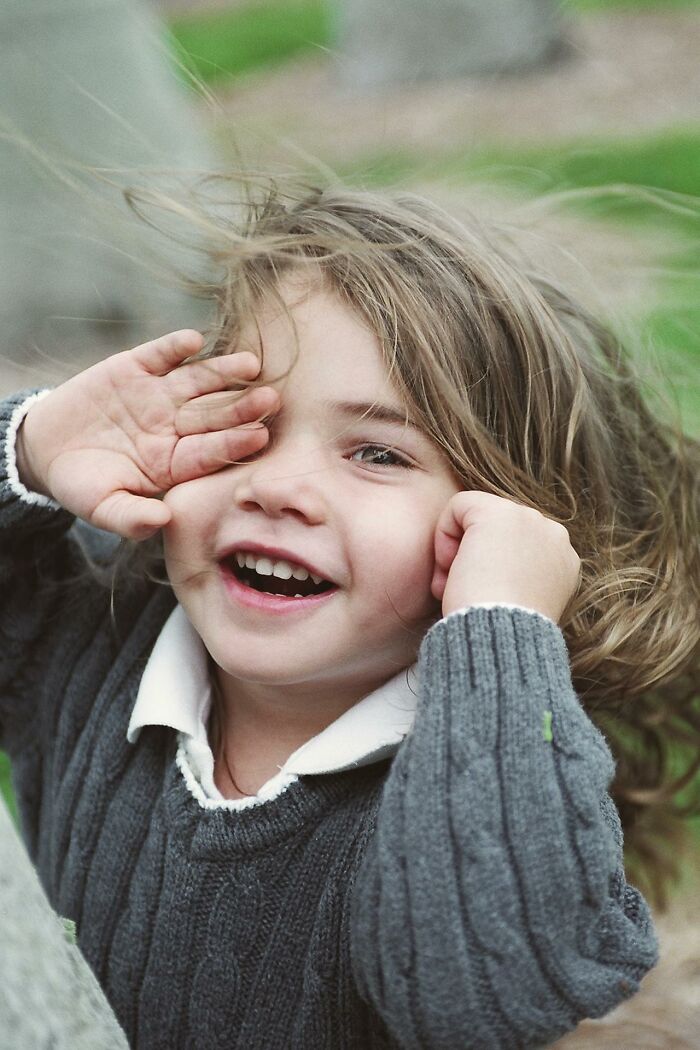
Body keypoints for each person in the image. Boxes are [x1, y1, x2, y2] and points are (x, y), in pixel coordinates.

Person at [1, 183, 697, 1050]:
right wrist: (24, 450)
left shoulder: (484, 774)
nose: (279, 487)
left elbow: (485, 997)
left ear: (499, 528)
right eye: (245, 430)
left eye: (377, 452)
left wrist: (502, 633)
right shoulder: (92, 634)